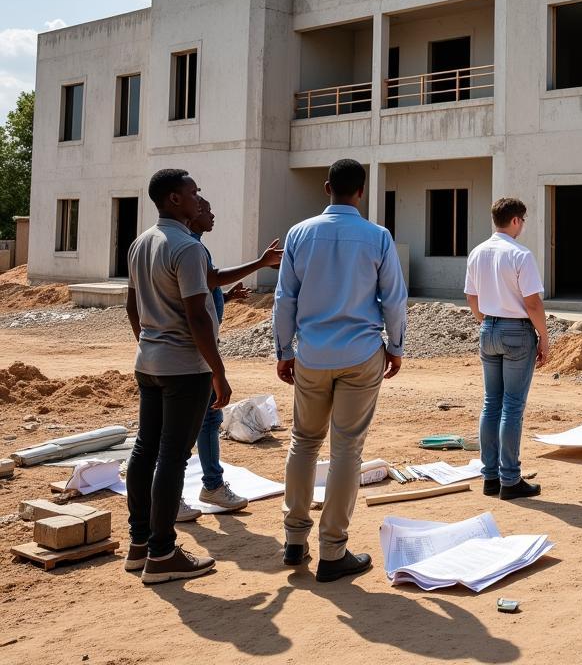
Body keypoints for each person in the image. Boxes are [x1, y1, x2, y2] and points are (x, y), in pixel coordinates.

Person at [272, 159, 406, 582]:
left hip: (311, 353)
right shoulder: (378, 237)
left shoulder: (299, 233)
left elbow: (284, 300)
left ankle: (294, 541)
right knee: (347, 449)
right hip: (361, 353)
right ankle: (333, 550)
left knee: (304, 442)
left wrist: (283, 349)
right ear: (361, 192)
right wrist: (396, 347)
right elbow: (395, 301)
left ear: (327, 187)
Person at [123, 169, 232, 584]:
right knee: (172, 457)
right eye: (193, 192)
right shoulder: (187, 248)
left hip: (148, 363)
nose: (198, 197)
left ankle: (139, 544)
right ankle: (163, 552)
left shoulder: (141, 243)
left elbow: (132, 306)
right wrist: (218, 373)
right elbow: (198, 318)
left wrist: (150, 344)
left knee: (144, 451)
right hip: (185, 368)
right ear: (173, 199)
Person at [181, 197, 283, 517]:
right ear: (191, 213)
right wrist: (261, 262)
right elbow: (208, 285)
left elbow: (205, 289)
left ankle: (211, 484)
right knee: (185, 423)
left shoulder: (191, 246)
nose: (213, 215)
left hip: (193, 349)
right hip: (192, 351)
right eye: (207, 210)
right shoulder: (189, 248)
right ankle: (179, 492)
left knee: (208, 418)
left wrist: (224, 297)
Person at [464, 196, 549, 501]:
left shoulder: (477, 252)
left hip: (489, 328)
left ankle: (490, 477)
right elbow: (533, 302)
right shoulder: (520, 254)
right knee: (512, 406)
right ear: (515, 220)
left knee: (491, 403)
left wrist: (487, 322)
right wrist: (544, 337)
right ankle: (510, 479)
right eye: (523, 220)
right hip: (517, 331)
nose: (523, 225)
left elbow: (471, 298)